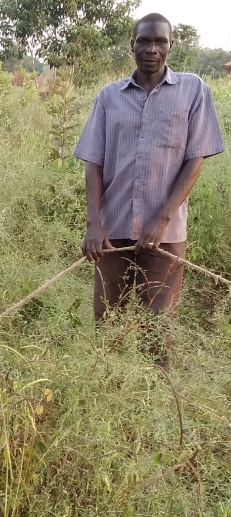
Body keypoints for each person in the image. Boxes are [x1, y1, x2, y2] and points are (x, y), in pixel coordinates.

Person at [73, 13, 225, 368]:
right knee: (106, 322)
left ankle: (154, 398)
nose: (152, 49)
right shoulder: (109, 96)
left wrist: (162, 219)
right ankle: (107, 393)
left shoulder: (193, 90)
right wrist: (94, 225)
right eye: (144, 41)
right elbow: (93, 162)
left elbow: (195, 160)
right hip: (112, 234)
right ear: (132, 45)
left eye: (160, 42)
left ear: (172, 45)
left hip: (165, 235)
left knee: (157, 329)